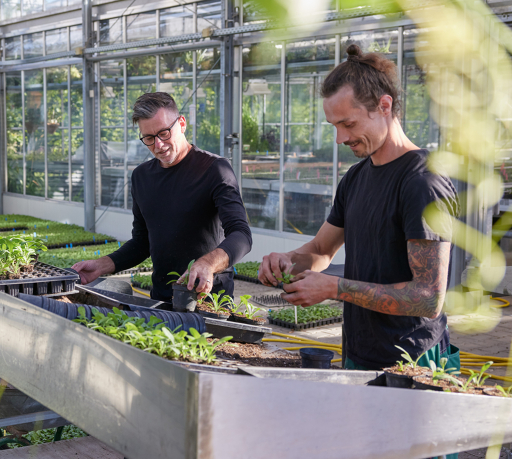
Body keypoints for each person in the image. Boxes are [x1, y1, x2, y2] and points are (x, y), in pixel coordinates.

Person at [258, 44, 460, 373]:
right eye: (334, 126)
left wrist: (335, 288)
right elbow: (322, 249)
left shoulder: (422, 183)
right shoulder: (356, 177)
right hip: (359, 351)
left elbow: (427, 298)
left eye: (348, 124)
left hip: (413, 361)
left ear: (384, 106)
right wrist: (289, 261)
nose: (340, 138)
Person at [72, 92, 252, 301]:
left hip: (209, 301)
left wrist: (208, 263)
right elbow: (142, 242)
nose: (158, 145)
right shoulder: (142, 176)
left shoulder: (214, 170)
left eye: (164, 133)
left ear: (182, 124)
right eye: (149, 138)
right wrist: (101, 265)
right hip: (161, 299)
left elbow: (241, 235)